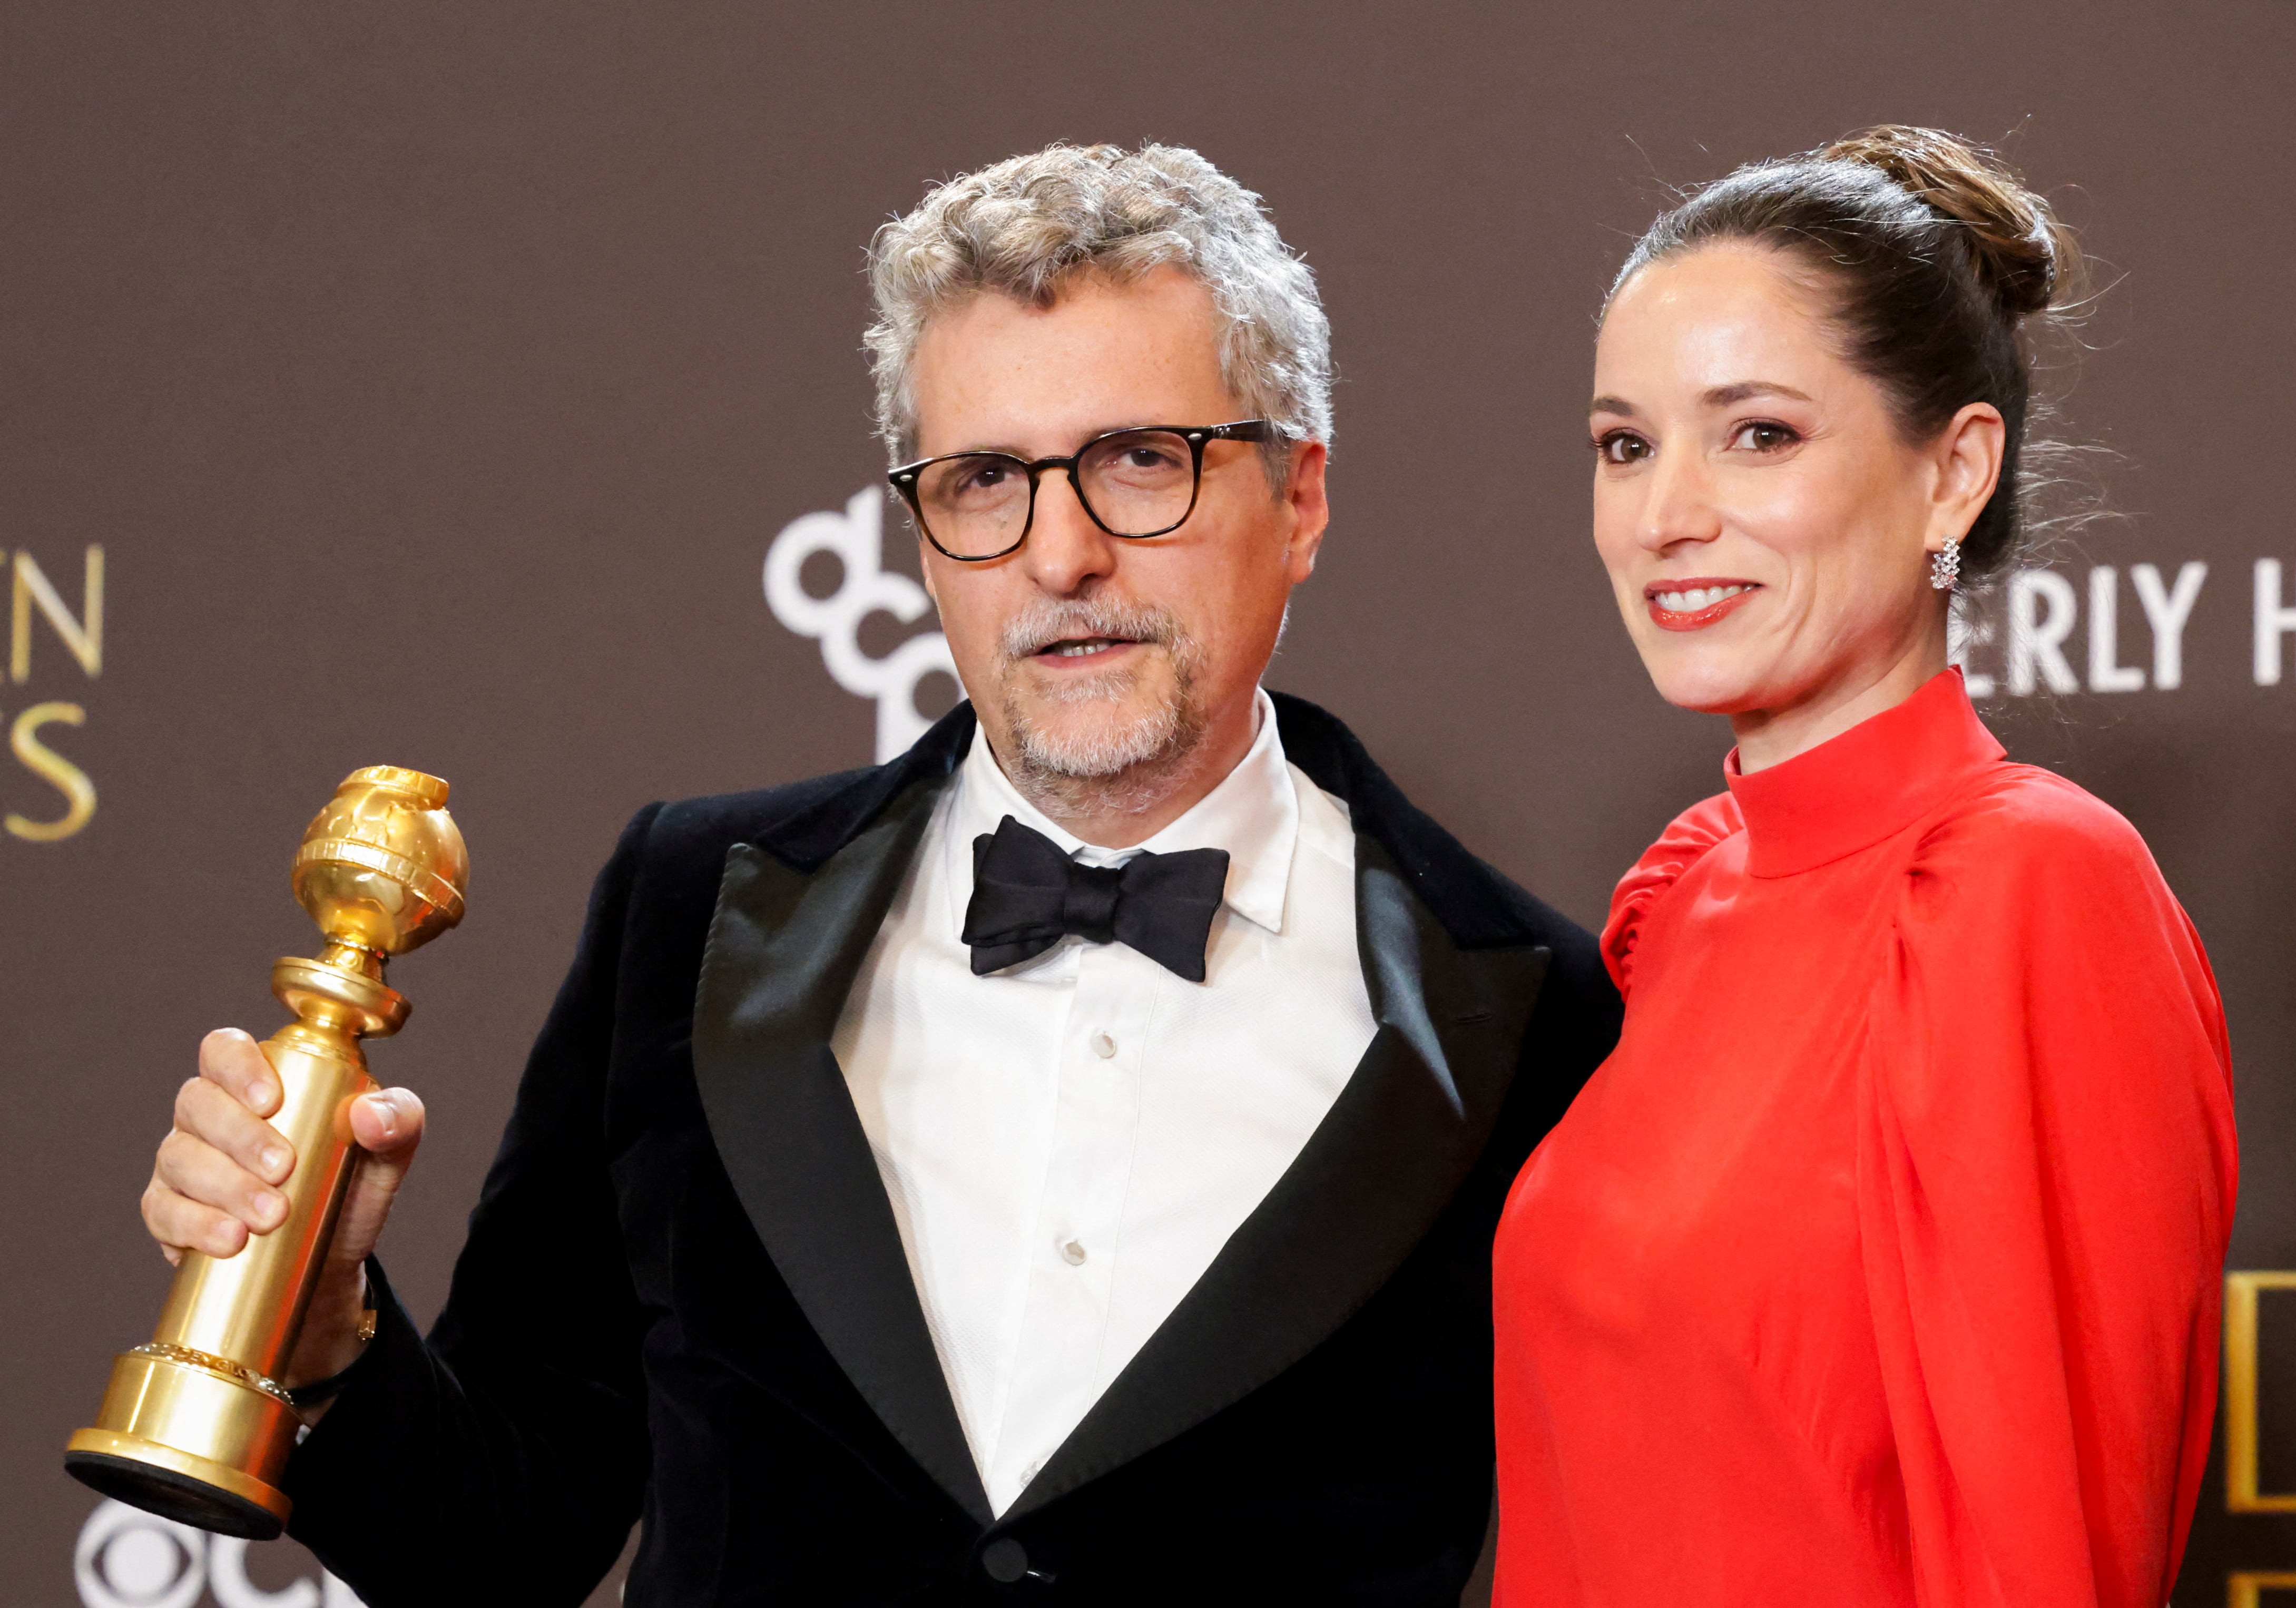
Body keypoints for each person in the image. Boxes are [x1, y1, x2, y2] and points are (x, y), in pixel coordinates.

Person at [137, 144, 1616, 1605]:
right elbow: (498, 1541)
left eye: (1138, 463)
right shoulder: (687, 909)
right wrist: (322, 1318)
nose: (1061, 555)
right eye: (984, 480)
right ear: (920, 531)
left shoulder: (1532, 1014)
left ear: (1297, 500)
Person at [1490, 128, 2237, 1606]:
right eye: (1623, 445)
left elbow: (2046, 1553)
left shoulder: (2027, 884)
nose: (1662, 515)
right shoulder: (1681, 893)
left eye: (1755, 433)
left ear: (1953, 470)